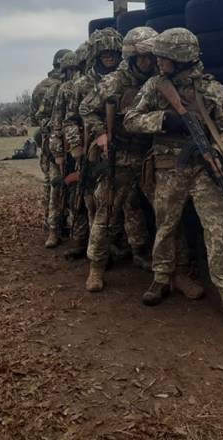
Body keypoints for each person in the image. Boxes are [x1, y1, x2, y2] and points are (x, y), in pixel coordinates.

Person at [123, 28, 223, 327]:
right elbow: (130, 119)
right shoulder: (156, 86)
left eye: (163, 57)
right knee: (166, 226)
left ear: (180, 59)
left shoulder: (211, 90)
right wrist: (164, 120)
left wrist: (221, 154)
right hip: (168, 167)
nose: (158, 62)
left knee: (217, 228)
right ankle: (161, 278)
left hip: (203, 169)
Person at [78, 27, 157, 289]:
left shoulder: (156, 80)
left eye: (150, 57)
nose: (147, 62)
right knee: (106, 211)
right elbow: (87, 108)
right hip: (119, 156)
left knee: (156, 210)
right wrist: (100, 134)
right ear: (132, 57)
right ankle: (96, 267)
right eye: (141, 57)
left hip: (147, 156)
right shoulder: (113, 82)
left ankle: (144, 255)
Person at [63, 27, 123, 291]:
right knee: (95, 206)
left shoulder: (126, 79)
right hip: (93, 152)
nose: (109, 57)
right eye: (105, 53)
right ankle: (96, 261)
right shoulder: (81, 85)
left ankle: (125, 249)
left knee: (128, 207)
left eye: (113, 52)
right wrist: (76, 147)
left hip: (125, 151)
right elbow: (69, 121)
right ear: (96, 55)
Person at [31, 49, 71, 229]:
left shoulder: (41, 86)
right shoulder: (58, 87)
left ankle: (51, 221)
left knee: (51, 182)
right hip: (57, 139)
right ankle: (57, 222)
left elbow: (36, 118)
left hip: (48, 139)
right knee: (58, 181)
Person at [46, 50, 82, 248]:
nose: (73, 73)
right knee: (57, 190)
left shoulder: (84, 88)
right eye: (69, 70)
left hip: (78, 148)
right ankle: (53, 230)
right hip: (61, 149)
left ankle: (76, 233)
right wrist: (58, 153)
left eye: (75, 69)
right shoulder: (59, 90)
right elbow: (56, 124)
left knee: (77, 194)